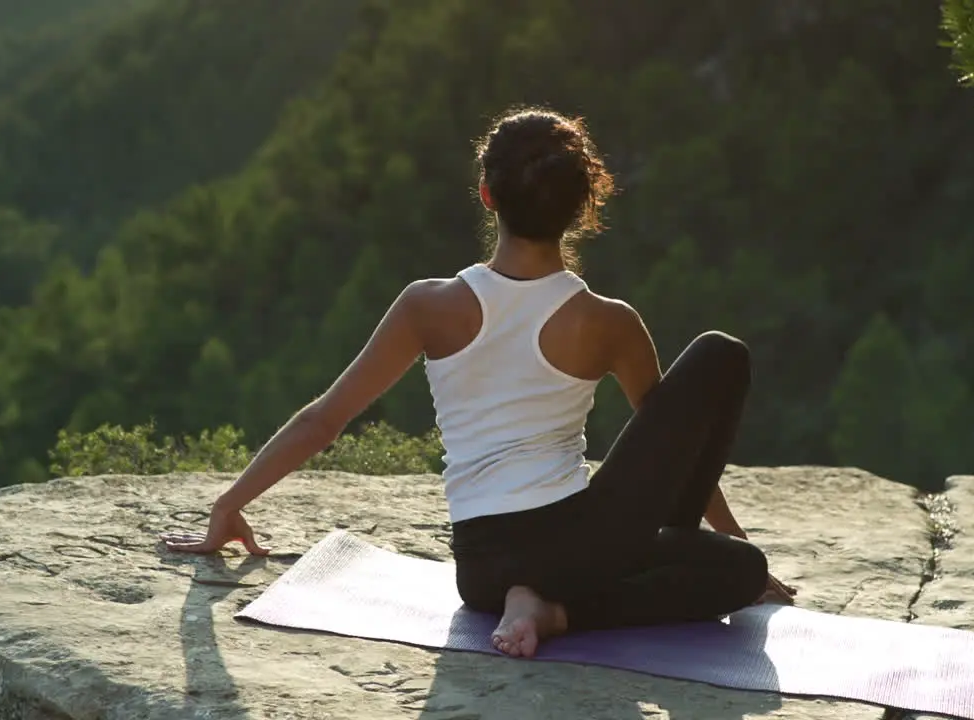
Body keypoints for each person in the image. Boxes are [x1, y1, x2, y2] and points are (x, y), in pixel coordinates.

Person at [161, 106, 797, 659]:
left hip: (483, 568)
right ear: (583, 207)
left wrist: (229, 504)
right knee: (723, 375)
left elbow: (324, 418)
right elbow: (674, 455)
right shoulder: (608, 322)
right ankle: (558, 612)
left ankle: (535, 603)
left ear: (488, 196)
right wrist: (728, 539)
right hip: (588, 550)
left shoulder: (428, 306)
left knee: (731, 565)